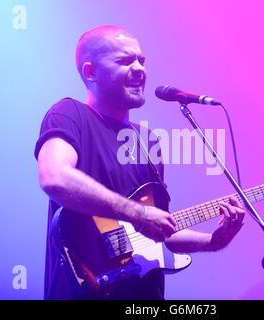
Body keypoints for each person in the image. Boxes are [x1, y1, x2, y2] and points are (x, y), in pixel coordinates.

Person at [34, 25, 246, 300]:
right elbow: (55, 177)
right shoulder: (69, 113)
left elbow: (158, 233)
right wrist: (139, 215)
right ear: (90, 72)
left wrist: (214, 241)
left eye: (141, 61)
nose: (139, 68)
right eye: (124, 61)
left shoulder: (148, 141)